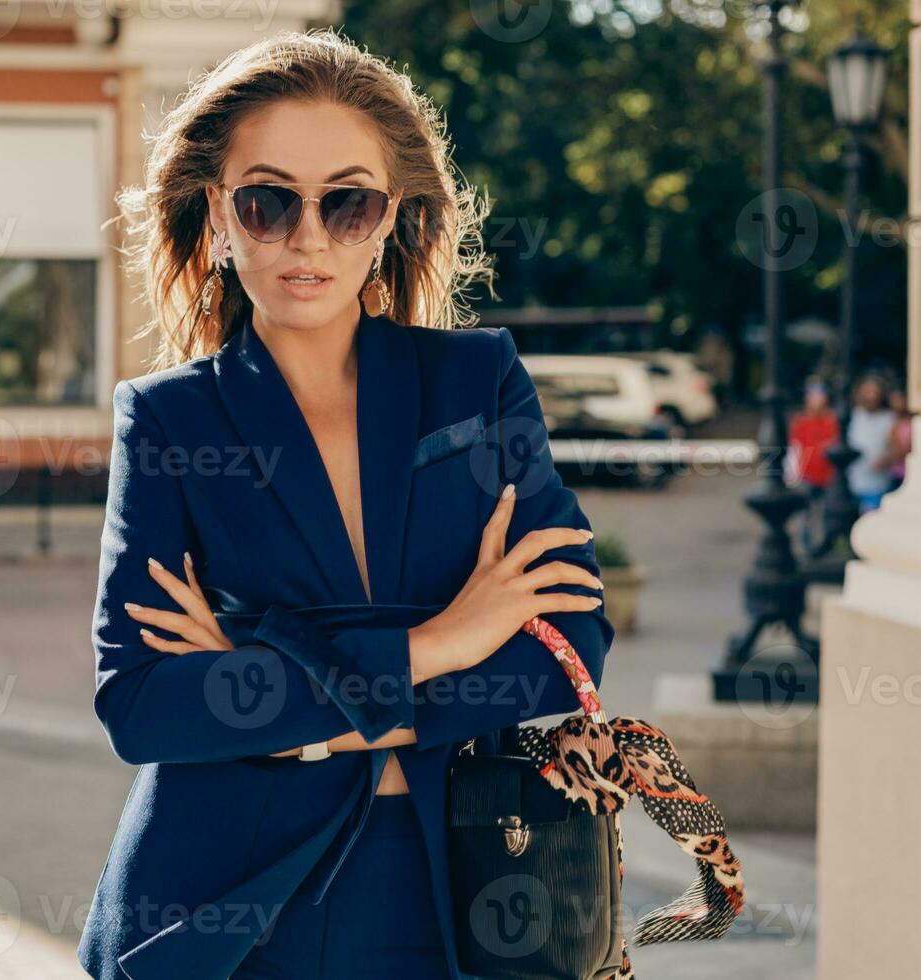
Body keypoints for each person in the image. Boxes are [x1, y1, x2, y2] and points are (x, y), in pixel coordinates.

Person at [78, 29, 613, 980]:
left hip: (467, 894)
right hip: (229, 909)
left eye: (348, 202)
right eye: (270, 201)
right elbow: (145, 708)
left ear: (392, 217)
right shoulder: (167, 421)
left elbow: (568, 644)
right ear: (220, 213)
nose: (308, 238)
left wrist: (266, 674)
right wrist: (440, 640)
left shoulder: (475, 382)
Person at [787, 380, 838, 548]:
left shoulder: (833, 421)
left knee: (827, 514)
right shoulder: (800, 421)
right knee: (804, 516)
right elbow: (794, 449)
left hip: (828, 475)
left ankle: (824, 546)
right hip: (806, 475)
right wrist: (791, 473)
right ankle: (806, 547)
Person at [846, 376, 896, 513]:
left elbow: (897, 449)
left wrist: (884, 460)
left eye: (874, 393)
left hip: (877, 484)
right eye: (867, 392)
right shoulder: (855, 415)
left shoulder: (888, 419)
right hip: (854, 481)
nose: (871, 397)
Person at [884, 388, 913, 492]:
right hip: (895, 473)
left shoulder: (912, 423)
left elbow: (904, 450)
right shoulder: (891, 420)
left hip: (908, 473)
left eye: (898, 400)